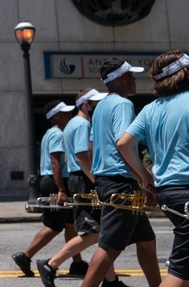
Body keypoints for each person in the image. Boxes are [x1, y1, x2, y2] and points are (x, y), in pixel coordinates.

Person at [78, 58, 160, 287]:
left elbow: (92, 149)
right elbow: (124, 144)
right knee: (109, 247)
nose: (135, 80)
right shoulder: (123, 104)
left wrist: (100, 180)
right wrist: (146, 177)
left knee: (146, 240)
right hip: (121, 183)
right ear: (121, 78)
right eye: (132, 76)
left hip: (111, 182)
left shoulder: (100, 106)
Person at [37, 88, 123, 286]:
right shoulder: (83, 124)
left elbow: (71, 156)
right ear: (86, 104)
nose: (98, 106)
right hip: (84, 179)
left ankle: (111, 280)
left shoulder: (71, 125)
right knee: (92, 233)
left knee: (101, 233)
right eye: (95, 103)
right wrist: (96, 181)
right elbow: (81, 156)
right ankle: (51, 264)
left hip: (78, 178)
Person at [117, 50, 189, 287]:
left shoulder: (151, 109)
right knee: (180, 273)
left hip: (168, 192)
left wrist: (146, 178)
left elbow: (124, 144)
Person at [12, 100, 85, 276]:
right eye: (66, 113)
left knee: (70, 225)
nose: (70, 115)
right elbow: (55, 163)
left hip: (58, 181)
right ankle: (25, 256)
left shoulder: (53, 133)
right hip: (56, 182)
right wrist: (61, 189)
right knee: (54, 225)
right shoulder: (57, 134)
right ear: (56, 116)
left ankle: (77, 263)